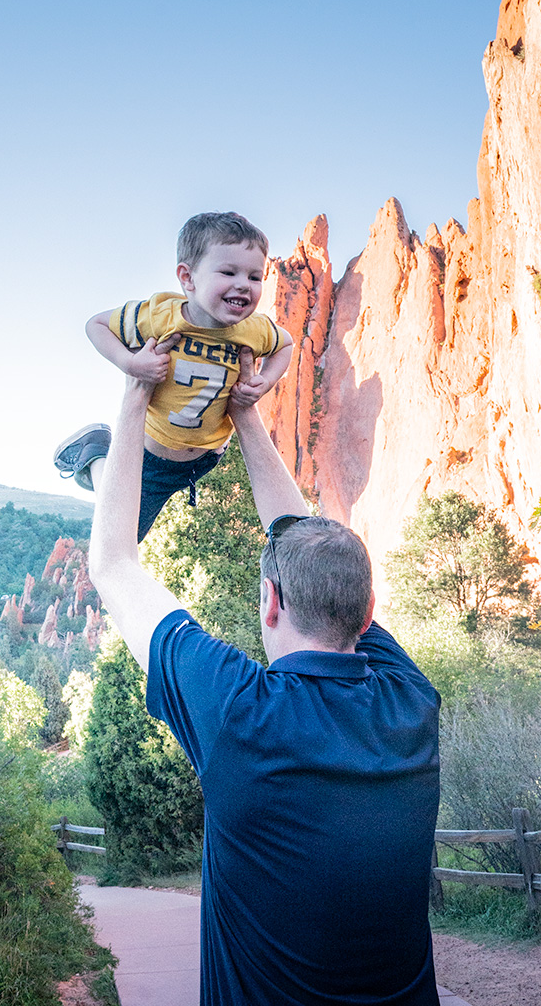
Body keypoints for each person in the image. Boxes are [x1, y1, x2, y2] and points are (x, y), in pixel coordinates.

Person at [88, 366, 441, 1006]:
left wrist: (138, 393)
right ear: (366, 615)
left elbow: (113, 564)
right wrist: (247, 415)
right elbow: (302, 543)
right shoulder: (411, 703)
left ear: (270, 602)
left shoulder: (241, 715)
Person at [54, 211, 294, 540]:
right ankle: (96, 455)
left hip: (207, 457)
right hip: (151, 460)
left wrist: (265, 382)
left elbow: (286, 345)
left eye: (255, 277)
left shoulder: (255, 330)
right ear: (188, 278)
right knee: (123, 533)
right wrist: (130, 363)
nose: (243, 284)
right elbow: (95, 325)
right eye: (228, 271)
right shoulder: (160, 316)